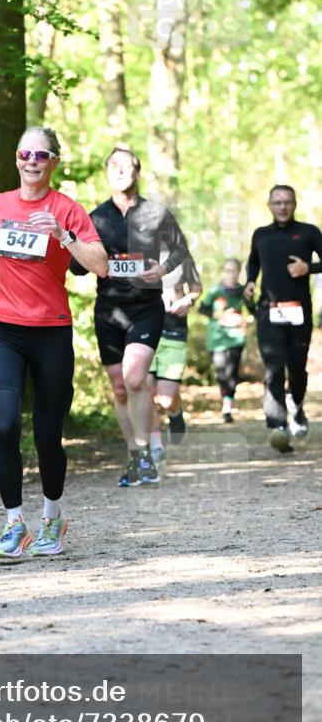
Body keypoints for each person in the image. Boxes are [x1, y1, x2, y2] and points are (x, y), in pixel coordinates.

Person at [0, 126, 108, 559]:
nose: (32, 160)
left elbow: (101, 266)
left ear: (54, 162)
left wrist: (63, 237)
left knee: (48, 435)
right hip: (3, 330)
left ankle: (52, 517)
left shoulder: (67, 209)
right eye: (25, 152)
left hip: (51, 331)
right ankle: (14, 525)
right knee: (5, 425)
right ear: (16, 158)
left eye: (41, 155)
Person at [71, 147, 194, 487]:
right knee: (120, 388)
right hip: (109, 311)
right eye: (114, 166)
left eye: (127, 166)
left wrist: (163, 269)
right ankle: (135, 456)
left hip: (145, 308)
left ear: (137, 173)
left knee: (135, 377)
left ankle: (144, 451)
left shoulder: (156, 213)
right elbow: (77, 267)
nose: (120, 171)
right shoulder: (94, 218)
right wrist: (85, 252)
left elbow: (181, 250)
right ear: (108, 173)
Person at [244, 184, 322, 453]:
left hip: (299, 312)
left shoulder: (309, 232)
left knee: (297, 370)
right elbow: (253, 262)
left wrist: (308, 268)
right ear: (269, 205)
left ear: (295, 204)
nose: (283, 207)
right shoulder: (261, 235)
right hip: (269, 310)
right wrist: (250, 282)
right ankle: (278, 425)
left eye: (287, 202)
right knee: (274, 369)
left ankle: (296, 406)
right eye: (277, 202)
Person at [148, 259, 202, 462]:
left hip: (174, 332)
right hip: (144, 330)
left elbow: (197, 288)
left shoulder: (182, 258)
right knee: (146, 389)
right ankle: (155, 445)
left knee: (166, 398)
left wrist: (188, 300)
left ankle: (175, 413)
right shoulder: (136, 253)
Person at [199, 258, 255, 423]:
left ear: (239, 272)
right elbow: (203, 308)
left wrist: (247, 321)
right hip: (216, 338)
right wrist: (220, 316)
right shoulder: (216, 290)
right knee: (221, 373)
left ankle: (227, 408)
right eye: (228, 270)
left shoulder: (243, 291)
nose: (231, 274)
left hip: (236, 337)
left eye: (234, 270)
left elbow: (253, 311)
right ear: (223, 271)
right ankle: (225, 400)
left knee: (231, 373)